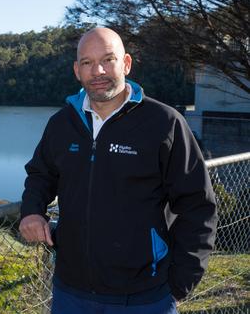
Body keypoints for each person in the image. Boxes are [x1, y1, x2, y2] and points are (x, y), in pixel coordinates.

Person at [19, 27, 217, 313]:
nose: (97, 70)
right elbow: (41, 174)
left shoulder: (164, 123)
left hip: (144, 297)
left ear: (126, 63)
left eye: (108, 60)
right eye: (87, 62)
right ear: (77, 70)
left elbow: (197, 205)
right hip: (70, 291)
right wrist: (31, 210)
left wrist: (180, 284)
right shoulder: (62, 124)